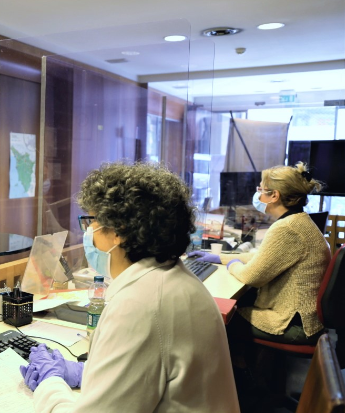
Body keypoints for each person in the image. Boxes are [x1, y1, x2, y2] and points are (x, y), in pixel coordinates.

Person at [20, 162, 239, 412]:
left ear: (118, 232)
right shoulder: (176, 280)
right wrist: (87, 371)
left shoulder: (140, 305)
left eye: (92, 222)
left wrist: (50, 383)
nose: (88, 233)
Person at [190, 162, 330, 344]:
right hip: (304, 318)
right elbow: (264, 256)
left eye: (261, 189)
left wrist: (233, 265)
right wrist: (219, 257)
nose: (257, 194)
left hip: (293, 324)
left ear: (274, 196)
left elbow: (252, 276)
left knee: (216, 316)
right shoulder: (298, 221)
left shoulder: (287, 227)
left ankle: (240, 371)